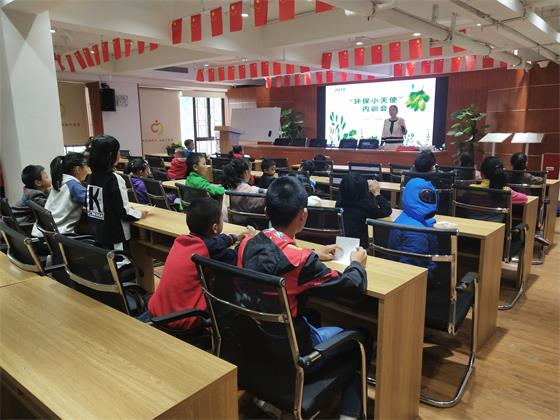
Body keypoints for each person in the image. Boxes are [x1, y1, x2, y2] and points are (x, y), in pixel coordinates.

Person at [237, 176, 370, 420]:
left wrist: (312, 252)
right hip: (291, 352)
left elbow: (277, 255)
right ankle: (350, 414)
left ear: (266, 211)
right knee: (361, 338)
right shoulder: (300, 261)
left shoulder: (246, 243)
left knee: (313, 314)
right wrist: (356, 264)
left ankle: (272, 398)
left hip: (256, 345)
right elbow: (352, 285)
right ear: (303, 215)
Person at [146, 197, 255, 331]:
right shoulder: (208, 249)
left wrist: (234, 237)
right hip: (182, 319)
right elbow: (236, 256)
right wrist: (248, 239)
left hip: (157, 311)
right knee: (227, 286)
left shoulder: (181, 241)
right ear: (215, 227)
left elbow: (215, 242)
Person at [86, 135, 148, 250]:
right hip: (115, 235)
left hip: (98, 231)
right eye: (118, 151)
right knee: (120, 260)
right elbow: (123, 212)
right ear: (111, 155)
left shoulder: (91, 176)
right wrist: (139, 214)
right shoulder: (114, 179)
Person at [387, 177, 439, 279]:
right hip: (415, 281)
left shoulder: (403, 217)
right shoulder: (417, 232)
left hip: (395, 271)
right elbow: (412, 271)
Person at [32, 153, 88, 236]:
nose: (88, 171)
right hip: (59, 236)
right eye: (87, 167)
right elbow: (94, 203)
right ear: (78, 169)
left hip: (43, 232)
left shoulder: (60, 182)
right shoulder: (73, 185)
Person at [336, 173, 392, 249]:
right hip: (359, 248)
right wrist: (377, 193)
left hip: (340, 244)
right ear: (364, 190)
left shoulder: (339, 204)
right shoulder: (366, 207)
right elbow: (387, 210)